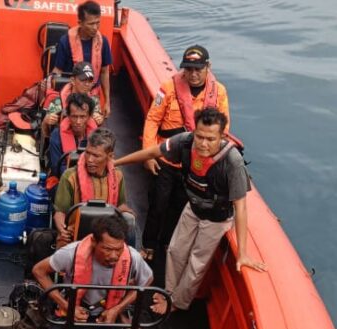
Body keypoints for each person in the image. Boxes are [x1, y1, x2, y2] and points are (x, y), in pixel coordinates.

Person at [115, 107, 266, 311]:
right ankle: (169, 293)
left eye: (210, 139)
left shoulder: (232, 163)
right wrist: (116, 162)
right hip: (193, 207)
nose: (203, 143)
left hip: (216, 218)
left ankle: (177, 303)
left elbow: (241, 207)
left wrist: (243, 253)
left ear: (222, 137)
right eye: (200, 136)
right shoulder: (185, 142)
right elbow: (153, 152)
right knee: (175, 250)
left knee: (196, 263)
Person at [140, 45, 231, 261]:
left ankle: (167, 243)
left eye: (198, 69)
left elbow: (224, 129)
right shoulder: (168, 88)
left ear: (208, 67)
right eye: (188, 69)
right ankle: (149, 244)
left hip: (194, 164)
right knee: (158, 203)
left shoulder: (219, 92)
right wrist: (149, 153)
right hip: (166, 158)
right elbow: (153, 119)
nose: (193, 73)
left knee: (180, 206)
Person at [52, 127, 136, 248]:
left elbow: (120, 205)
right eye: (88, 153)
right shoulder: (69, 176)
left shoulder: (118, 176)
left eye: (96, 156)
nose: (90, 160)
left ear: (110, 156)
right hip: (74, 234)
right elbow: (60, 212)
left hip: (107, 236)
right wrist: (62, 229)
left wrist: (127, 213)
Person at [52, 0, 112, 118]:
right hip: (70, 92)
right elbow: (57, 71)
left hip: (92, 94)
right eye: (91, 24)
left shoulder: (103, 42)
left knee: (96, 121)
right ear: (80, 22)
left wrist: (107, 102)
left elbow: (105, 72)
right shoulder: (65, 41)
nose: (95, 28)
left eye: (97, 23)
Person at [43, 61, 105, 132]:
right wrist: (46, 121)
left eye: (90, 81)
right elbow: (45, 132)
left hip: (87, 137)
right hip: (62, 136)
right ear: (72, 80)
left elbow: (98, 127)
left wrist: (100, 120)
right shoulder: (58, 102)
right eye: (83, 80)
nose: (87, 84)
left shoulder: (94, 100)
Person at [48, 92, 98, 178]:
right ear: (68, 115)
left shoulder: (98, 135)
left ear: (89, 116)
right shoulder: (56, 136)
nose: (78, 122)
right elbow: (56, 169)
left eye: (82, 117)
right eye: (74, 116)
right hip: (65, 178)